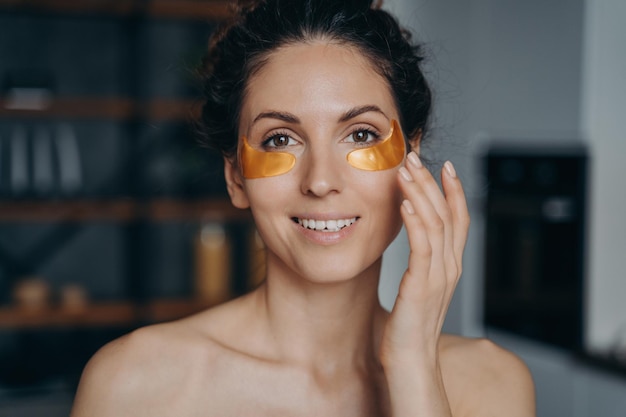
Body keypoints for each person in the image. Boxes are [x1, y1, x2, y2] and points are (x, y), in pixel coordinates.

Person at [70, 0, 535, 415]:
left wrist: (414, 365)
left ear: (410, 158)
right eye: (281, 139)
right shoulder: (133, 385)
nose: (320, 181)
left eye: (361, 134)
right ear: (236, 177)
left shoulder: (490, 383)